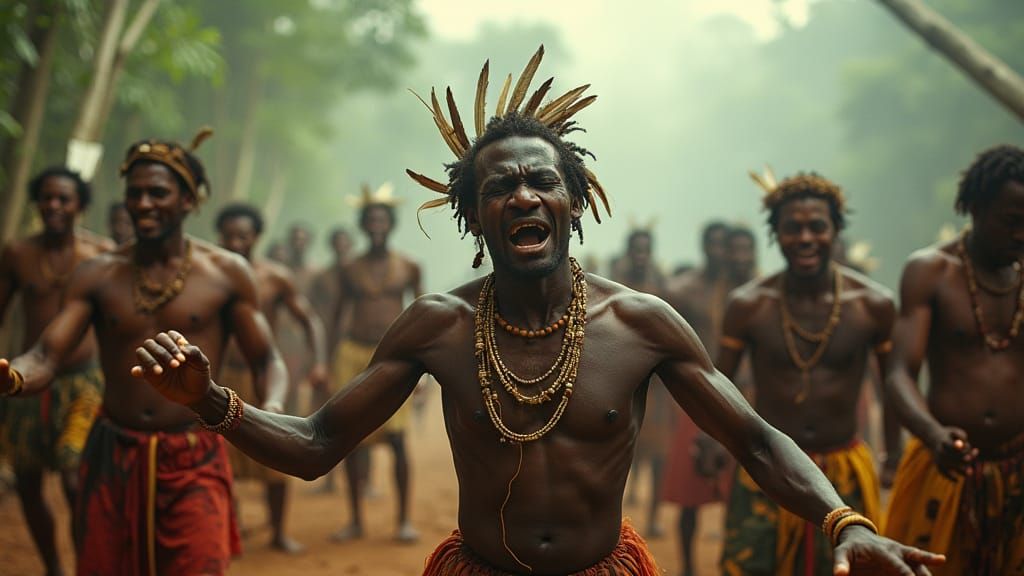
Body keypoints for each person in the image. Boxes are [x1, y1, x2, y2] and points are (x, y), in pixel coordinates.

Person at [124, 48, 941, 575]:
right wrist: (209, 402)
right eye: (499, 187)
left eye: (543, 181)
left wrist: (843, 522)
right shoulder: (436, 326)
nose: (522, 194)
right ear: (475, 218)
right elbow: (316, 445)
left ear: (574, 203)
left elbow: (758, 442)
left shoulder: (642, 324)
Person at [0, 131, 289, 575]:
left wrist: (268, 412)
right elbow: (46, 355)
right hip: (113, 454)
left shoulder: (226, 273)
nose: (143, 203)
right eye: (134, 193)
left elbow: (267, 359)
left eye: (158, 192)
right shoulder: (97, 274)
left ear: (189, 200)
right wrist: (13, 377)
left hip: (195, 456)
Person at [716, 173, 899, 575]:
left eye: (817, 227)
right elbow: (714, 385)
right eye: (791, 228)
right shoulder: (748, 305)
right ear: (775, 234)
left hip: (845, 470)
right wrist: (711, 443)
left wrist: (893, 452)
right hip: (768, 469)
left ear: (835, 231)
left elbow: (891, 387)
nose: (804, 239)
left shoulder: (873, 304)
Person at [884, 144, 1024, 575]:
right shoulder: (931, 271)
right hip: (943, 469)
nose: (1022, 234)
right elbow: (898, 375)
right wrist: (933, 434)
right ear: (977, 208)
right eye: (1012, 222)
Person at [0, 166, 112, 575]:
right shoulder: (17, 254)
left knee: (73, 479)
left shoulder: (100, 254)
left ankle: (88, 564)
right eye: (46, 197)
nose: (54, 205)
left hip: (84, 382)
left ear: (79, 205)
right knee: (28, 482)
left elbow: (117, 323)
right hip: (26, 381)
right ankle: (53, 568)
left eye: (63, 198)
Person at [216, 203, 328, 553]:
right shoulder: (208, 273)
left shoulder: (274, 277)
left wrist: (319, 361)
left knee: (276, 450)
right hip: (219, 377)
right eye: (229, 236)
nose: (236, 243)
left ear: (257, 237)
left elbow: (310, 319)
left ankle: (278, 532)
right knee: (220, 458)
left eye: (243, 236)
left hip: (265, 376)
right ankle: (226, 532)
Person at [327, 182, 422, 543]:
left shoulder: (409, 266)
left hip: (394, 356)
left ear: (391, 223)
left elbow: (421, 313)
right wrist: (323, 363)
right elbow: (336, 317)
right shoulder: (349, 269)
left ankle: (404, 521)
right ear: (363, 225)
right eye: (370, 219)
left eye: (382, 218)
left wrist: (423, 366)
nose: (377, 224)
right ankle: (355, 520)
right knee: (350, 438)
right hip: (351, 355)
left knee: (397, 441)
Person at [660, 221, 733, 575]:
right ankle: (688, 567)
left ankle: (735, 561)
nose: (720, 252)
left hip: (739, 398)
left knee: (742, 490)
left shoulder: (744, 291)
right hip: (696, 397)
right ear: (704, 246)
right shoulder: (683, 290)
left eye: (726, 245)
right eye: (714, 244)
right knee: (691, 493)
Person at [610, 228, 674, 538]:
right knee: (621, 447)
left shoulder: (661, 284)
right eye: (636, 248)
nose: (640, 254)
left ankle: (653, 517)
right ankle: (614, 513)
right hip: (619, 378)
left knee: (659, 453)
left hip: (658, 382)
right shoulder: (614, 283)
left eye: (645, 249)